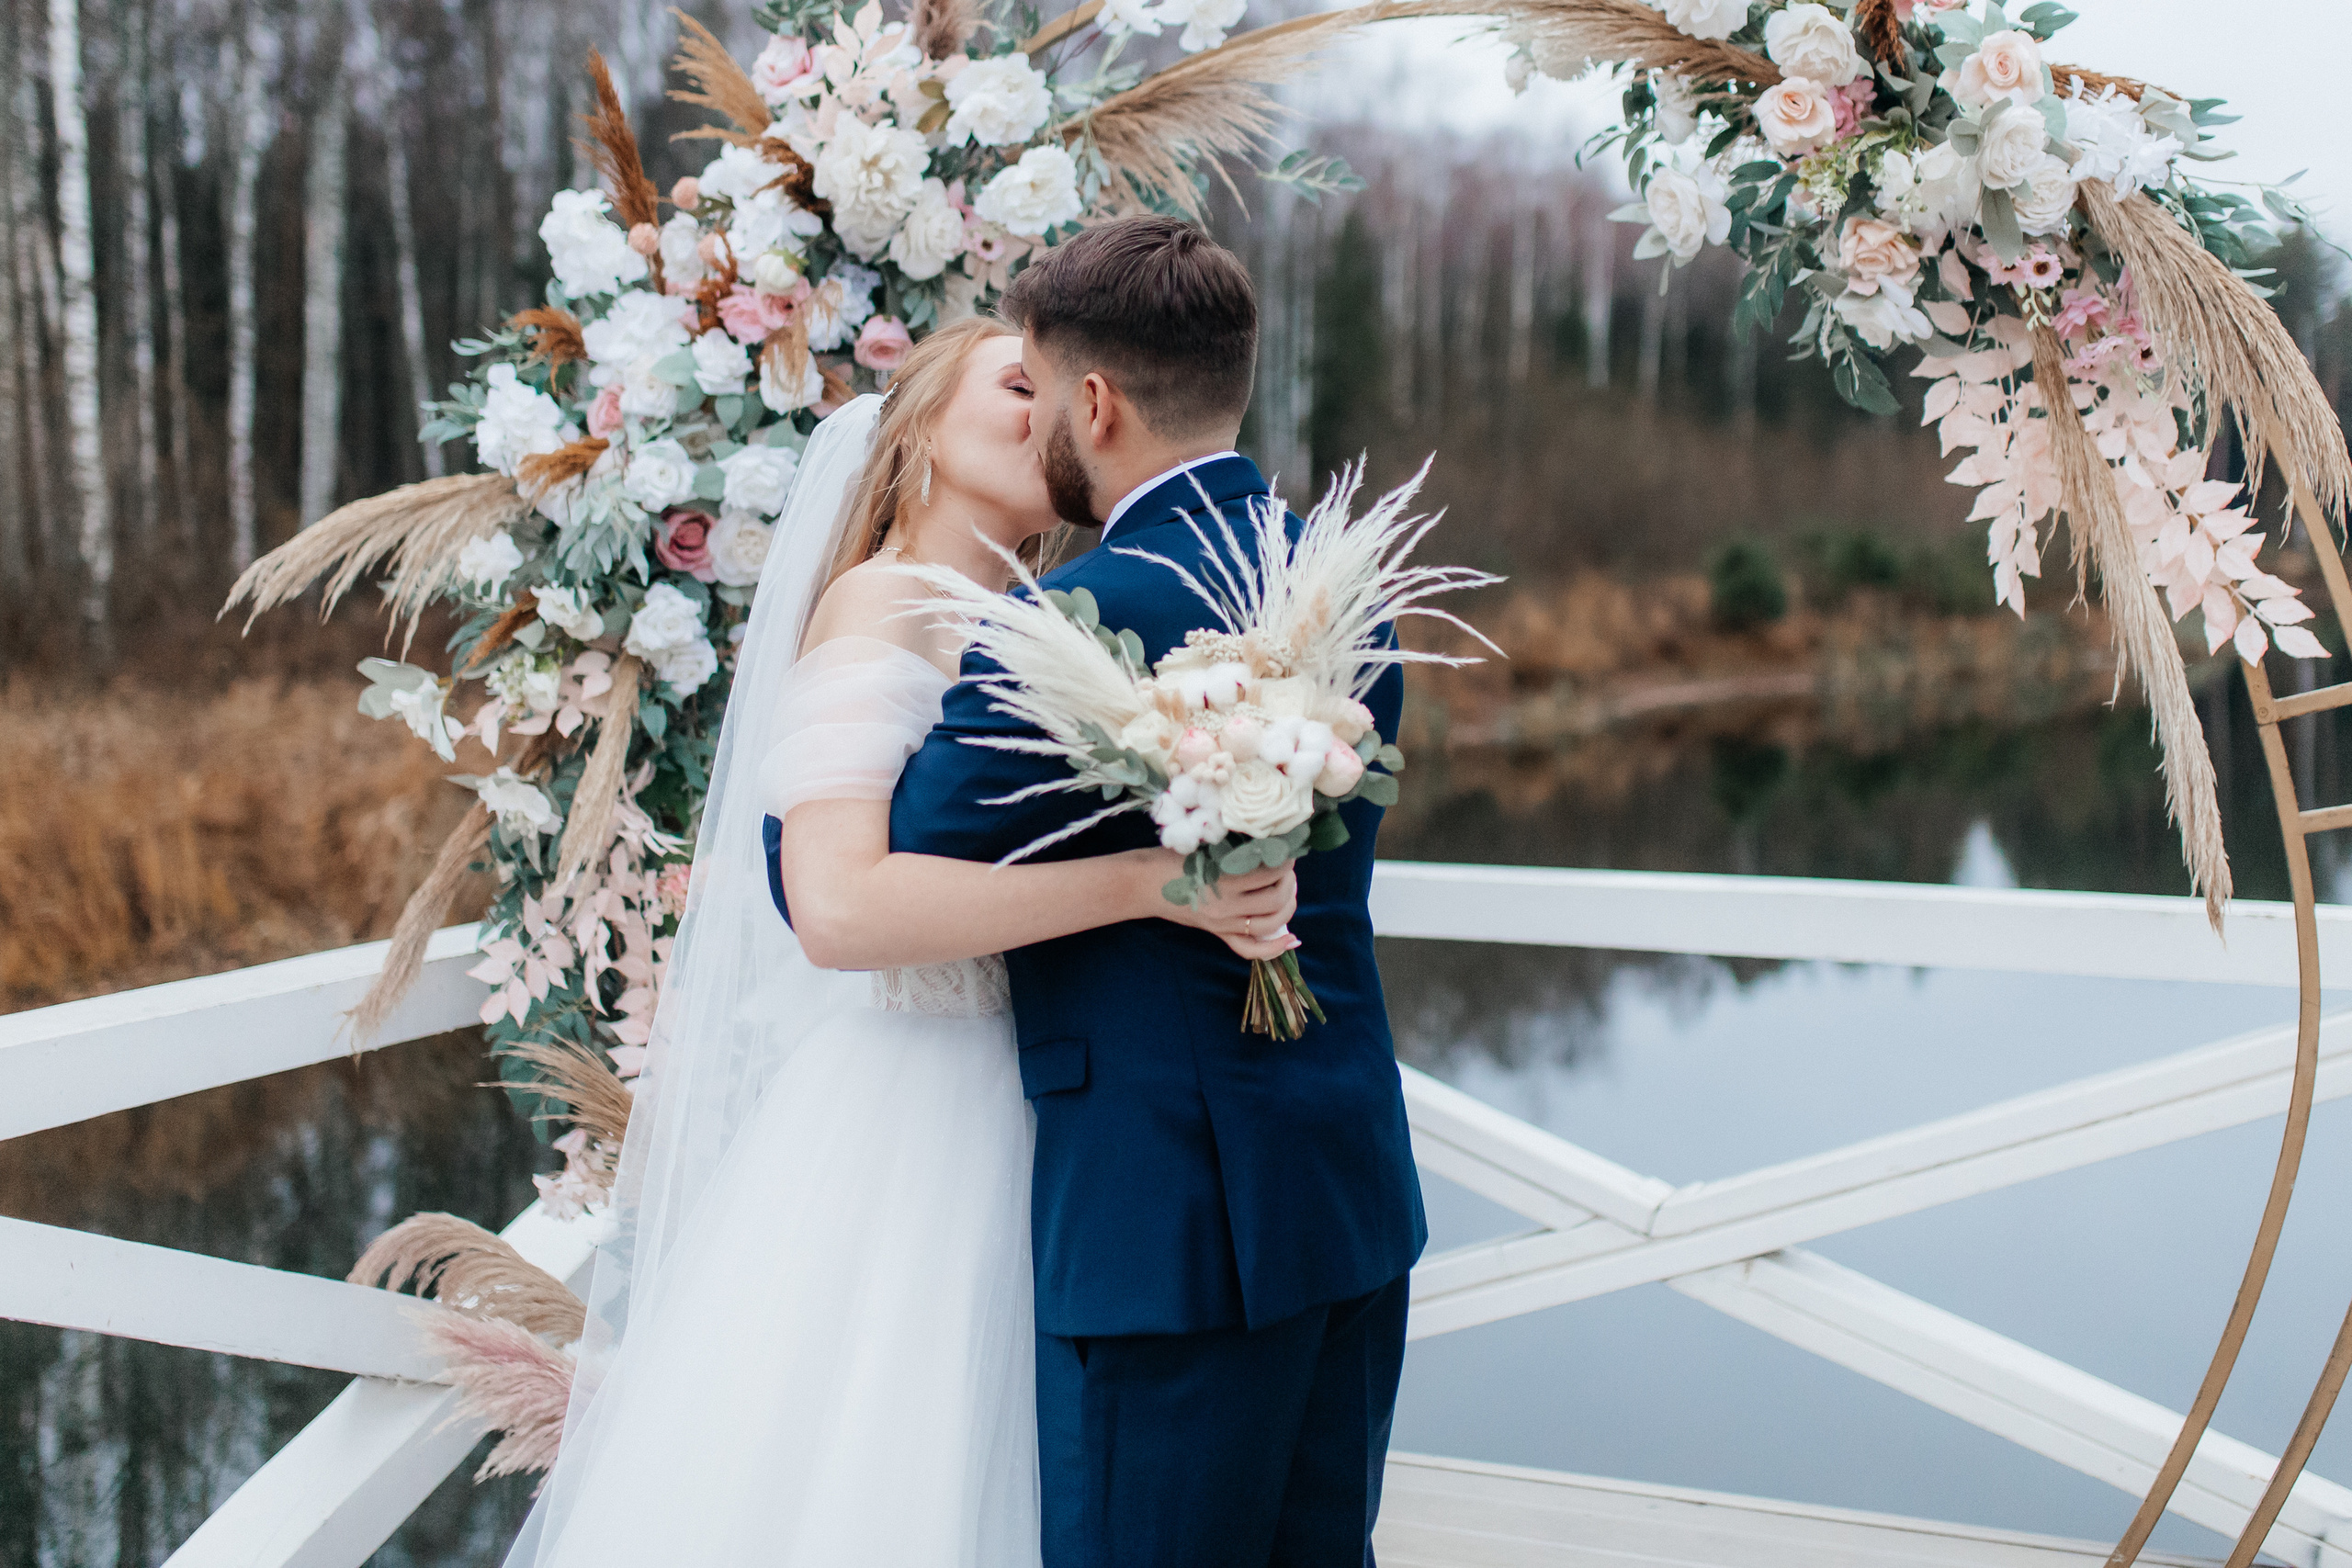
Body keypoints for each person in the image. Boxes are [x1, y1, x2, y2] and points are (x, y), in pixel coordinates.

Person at [503, 316, 1297, 1567]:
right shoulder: (883, 602)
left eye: (1057, 392)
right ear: (919, 427)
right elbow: (840, 910)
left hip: (1071, 1121)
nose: (1048, 415)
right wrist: (1152, 883)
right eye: (1017, 386)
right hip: (912, 1120)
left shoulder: (1064, 620)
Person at [890, 218, 1427, 1567]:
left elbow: (873, 878)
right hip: (1344, 1195)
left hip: (1162, 1238)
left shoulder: (1064, 629)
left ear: (1092, 402)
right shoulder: (1344, 584)